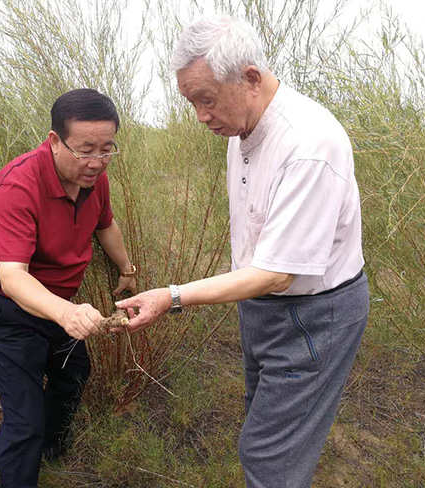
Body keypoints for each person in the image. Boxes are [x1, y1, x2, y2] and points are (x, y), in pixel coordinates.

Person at [115, 16, 369, 488]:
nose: (200, 116)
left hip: (313, 315)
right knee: (265, 427)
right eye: (192, 102)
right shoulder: (242, 126)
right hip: (261, 308)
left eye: (206, 100)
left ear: (250, 78)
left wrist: (170, 296)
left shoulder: (309, 143)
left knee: (269, 455)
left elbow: (277, 274)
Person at [0, 88, 136, 488]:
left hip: (59, 305)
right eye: (85, 150)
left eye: (107, 149)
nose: (96, 162)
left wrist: (127, 269)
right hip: (6, 311)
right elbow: (13, 277)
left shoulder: (94, 177)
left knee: (73, 376)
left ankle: (51, 452)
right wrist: (66, 313)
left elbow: (105, 225)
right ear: (54, 141)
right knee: (24, 419)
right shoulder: (18, 185)